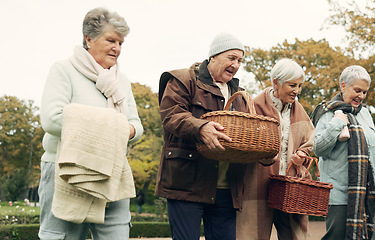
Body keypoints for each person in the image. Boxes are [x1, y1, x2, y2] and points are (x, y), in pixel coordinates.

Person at [38, 7, 143, 240]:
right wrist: (114, 128)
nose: (117, 48)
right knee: (61, 237)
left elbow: (136, 126)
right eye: (111, 40)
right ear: (89, 38)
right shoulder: (64, 70)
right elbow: (53, 120)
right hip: (66, 171)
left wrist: (128, 130)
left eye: (121, 43)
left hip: (112, 172)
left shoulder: (121, 81)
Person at [155, 32, 248, 240]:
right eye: (231, 58)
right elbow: (172, 115)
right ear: (213, 57)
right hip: (187, 185)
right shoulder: (183, 79)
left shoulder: (240, 94)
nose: (236, 64)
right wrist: (200, 127)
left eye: (240, 60)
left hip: (225, 189)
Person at [313, 65, 375, 240]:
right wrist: (336, 124)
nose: (361, 96)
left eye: (365, 92)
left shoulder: (365, 114)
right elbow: (319, 149)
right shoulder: (328, 113)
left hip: (367, 193)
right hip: (340, 194)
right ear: (343, 86)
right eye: (357, 90)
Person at [237, 59, 315, 240]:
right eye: (292, 85)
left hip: (290, 188)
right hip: (258, 185)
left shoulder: (299, 109)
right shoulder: (254, 106)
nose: (297, 90)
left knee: (294, 236)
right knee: (252, 235)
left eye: (300, 85)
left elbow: (310, 139)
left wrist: (302, 154)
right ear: (276, 83)